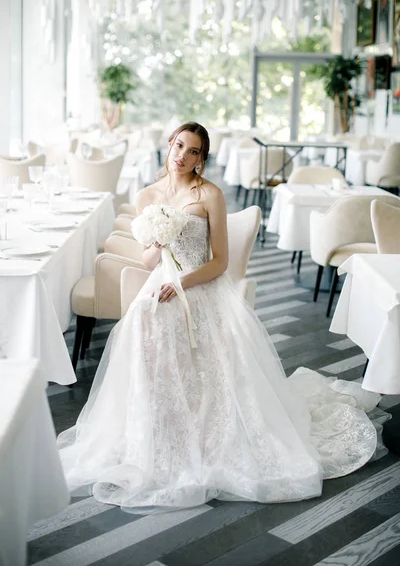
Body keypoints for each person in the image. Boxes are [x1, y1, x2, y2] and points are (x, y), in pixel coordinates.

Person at [58, 121, 383, 512]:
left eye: (193, 151)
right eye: (179, 146)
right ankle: (159, 427)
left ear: (202, 158)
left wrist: (184, 283)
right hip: (162, 283)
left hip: (202, 284)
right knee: (145, 321)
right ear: (170, 145)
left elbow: (221, 262)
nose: (182, 156)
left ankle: (209, 430)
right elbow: (147, 260)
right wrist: (158, 241)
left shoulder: (209, 194)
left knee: (183, 328)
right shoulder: (148, 194)